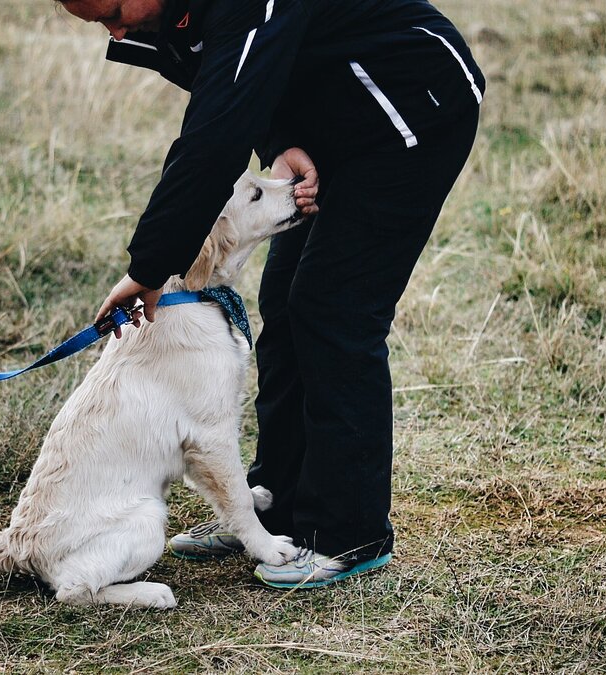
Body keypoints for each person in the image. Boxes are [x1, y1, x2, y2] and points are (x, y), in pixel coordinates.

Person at [59, 0, 484, 587]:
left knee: (334, 308)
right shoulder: (163, 14)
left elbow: (218, 130)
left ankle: (349, 532)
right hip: (335, 111)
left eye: (112, 11)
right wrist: (283, 139)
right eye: (97, 23)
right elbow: (239, 76)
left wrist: (150, 268)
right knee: (285, 301)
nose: (114, 30)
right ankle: (273, 509)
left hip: (409, 104)